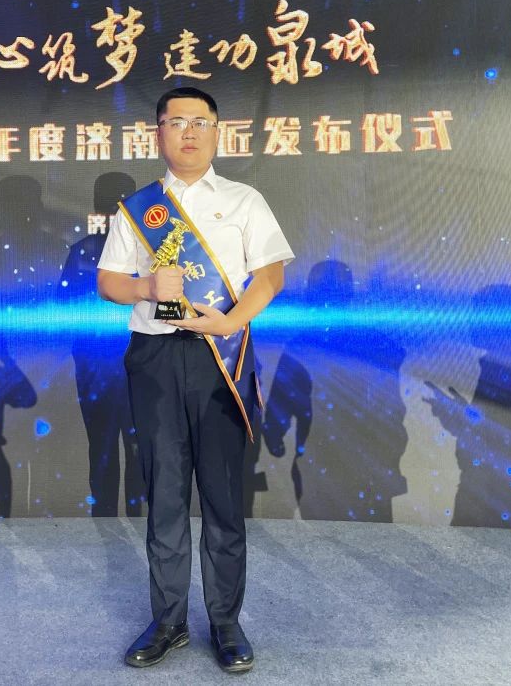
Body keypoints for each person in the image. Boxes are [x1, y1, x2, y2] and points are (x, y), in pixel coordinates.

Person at [97, 87, 294, 673]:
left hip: (220, 355)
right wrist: (144, 287)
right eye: (176, 121)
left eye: (199, 122)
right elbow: (109, 281)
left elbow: (271, 275)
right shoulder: (140, 208)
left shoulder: (244, 200)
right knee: (164, 494)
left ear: (216, 132)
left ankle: (226, 623)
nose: (188, 131)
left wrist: (230, 321)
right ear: (157, 132)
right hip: (155, 358)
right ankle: (168, 621)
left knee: (223, 496)